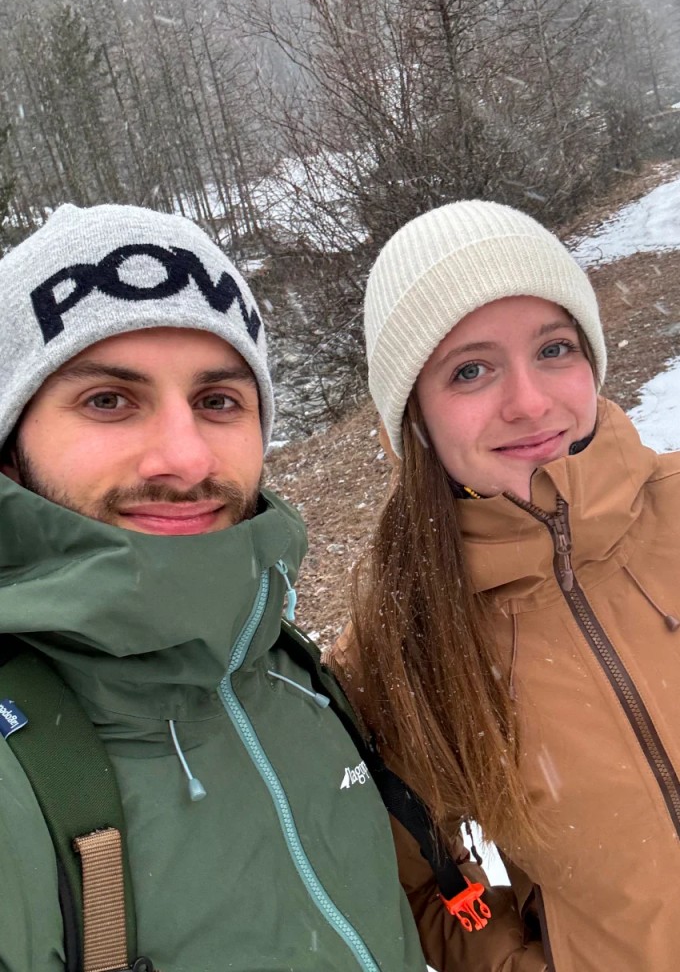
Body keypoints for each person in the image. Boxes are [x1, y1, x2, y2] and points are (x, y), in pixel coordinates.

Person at [0, 204, 428, 972]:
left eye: (217, 401)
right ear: (10, 447)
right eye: (109, 400)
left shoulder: (294, 675)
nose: (187, 458)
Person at [329, 199, 680, 972]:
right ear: (413, 420)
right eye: (471, 370)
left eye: (554, 348)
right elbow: (427, 886)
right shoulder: (399, 649)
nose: (529, 401)